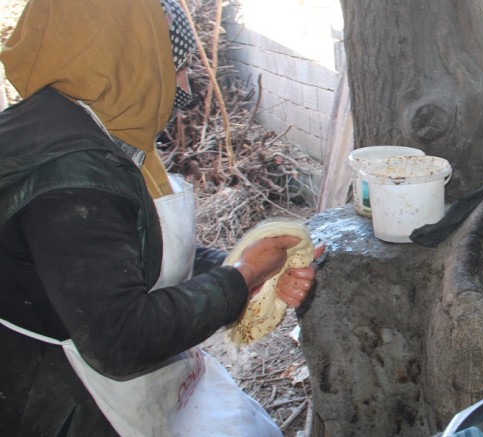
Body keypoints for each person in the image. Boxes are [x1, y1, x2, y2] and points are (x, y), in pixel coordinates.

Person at [0, 0, 320, 435]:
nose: (184, 86)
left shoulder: (87, 128)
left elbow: (131, 253)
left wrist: (247, 264)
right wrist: (240, 277)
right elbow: (121, 339)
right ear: (129, 60)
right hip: (71, 403)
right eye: (175, 66)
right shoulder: (70, 175)